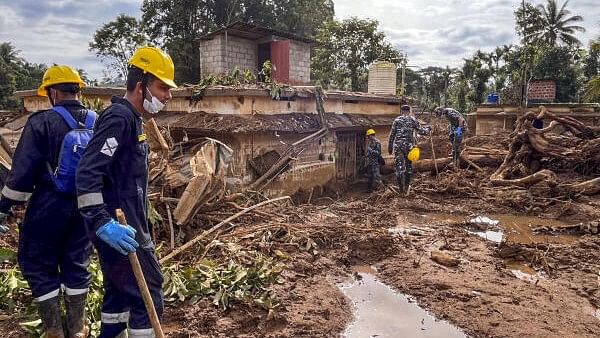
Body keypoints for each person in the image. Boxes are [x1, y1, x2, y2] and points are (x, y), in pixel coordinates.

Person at [76, 46, 176, 338]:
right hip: (119, 230)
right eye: (162, 88)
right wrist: (101, 222)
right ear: (141, 86)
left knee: (118, 295)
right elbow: (87, 172)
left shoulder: (133, 120)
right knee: (149, 295)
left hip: (126, 226)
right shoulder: (119, 118)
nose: (167, 96)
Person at [0, 65, 94, 338]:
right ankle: (77, 328)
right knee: (77, 262)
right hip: (86, 207)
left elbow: (21, 174)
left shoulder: (41, 122)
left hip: (48, 207)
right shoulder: (97, 121)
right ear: (78, 90)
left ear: (52, 92)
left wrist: (4, 207)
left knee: (38, 263)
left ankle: (54, 330)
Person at [388, 105, 431, 194]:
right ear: (409, 111)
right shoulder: (412, 120)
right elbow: (421, 131)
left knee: (399, 167)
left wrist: (390, 147)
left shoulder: (397, 120)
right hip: (409, 147)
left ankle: (401, 189)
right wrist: (428, 129)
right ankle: (407, 187)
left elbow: (392, 135)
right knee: (408, 167)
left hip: (398, 146)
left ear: (401, 111)